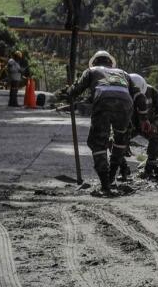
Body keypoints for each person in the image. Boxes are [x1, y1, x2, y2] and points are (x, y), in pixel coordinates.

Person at [55, 50, 145, 196]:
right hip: (125, 104)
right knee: (120, 140)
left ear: (95, 62)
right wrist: (144, 118)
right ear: (110, 63)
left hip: (103, 102)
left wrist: (67, 93)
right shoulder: (123, 73)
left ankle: (105, 185)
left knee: (97, 142)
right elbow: (139, 98)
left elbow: (76, 90)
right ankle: (111, 178)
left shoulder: (91, 70)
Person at [127, 73, 158, 179]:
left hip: (147, 125)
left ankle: (149, 168)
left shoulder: (152, 92)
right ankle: (122, 170)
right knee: (114, 141)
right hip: (128, 126)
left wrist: (155, 125)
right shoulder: (121, 94)